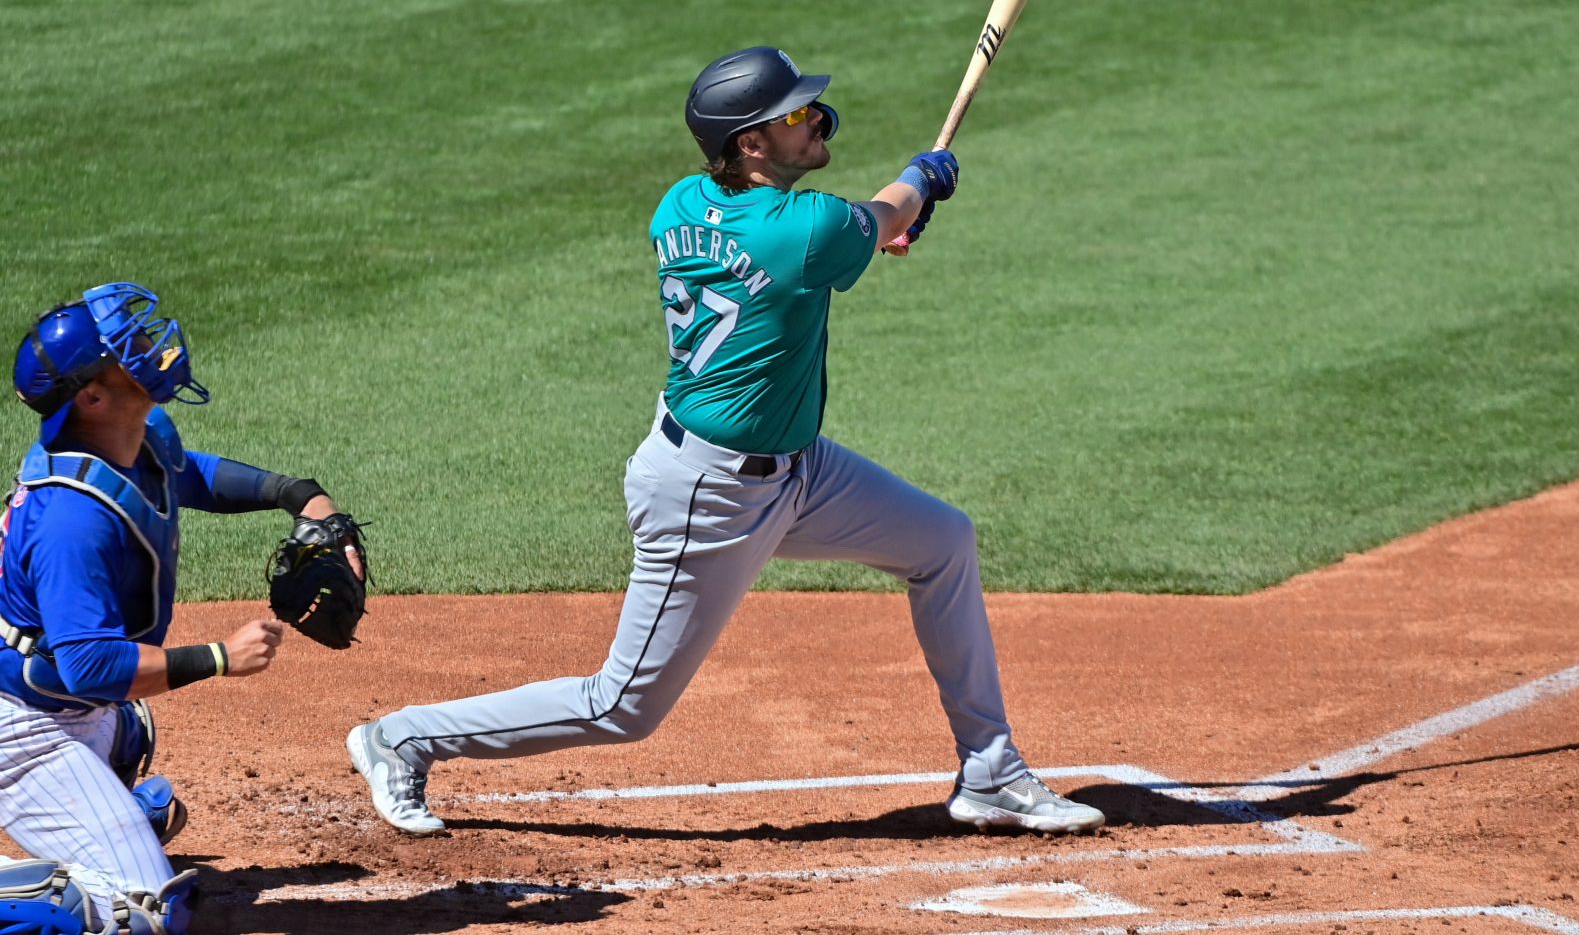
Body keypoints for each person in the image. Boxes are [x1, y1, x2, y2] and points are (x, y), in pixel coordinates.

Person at [346, 46, 1105, 838]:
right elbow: (879, 213)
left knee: (943, 540)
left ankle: (990, 770)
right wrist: (926, 179)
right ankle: (402, 739)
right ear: (750, 142)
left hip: (800, 473)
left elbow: (830, 241)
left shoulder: (681, 202)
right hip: (710, 495)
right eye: (796, 114)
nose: (815, 120)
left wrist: (878, 227)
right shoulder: (808, 228)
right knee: (623, 706)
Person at [0, 282, 364, 934]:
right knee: (143, 912)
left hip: (69, 706)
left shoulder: (135, 435)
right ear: (91, 396)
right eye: (125, 348)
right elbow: (89, 666)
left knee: (128, 726)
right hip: (22, 729)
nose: (148, 346)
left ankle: (105, 799)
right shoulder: (72, 523)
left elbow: (183, 472)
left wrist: (296, 494)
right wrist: (222, 657)